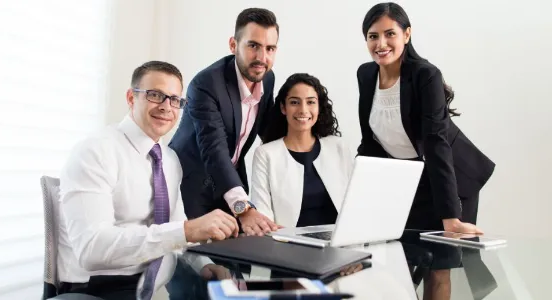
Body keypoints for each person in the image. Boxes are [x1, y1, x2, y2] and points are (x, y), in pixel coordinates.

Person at [57, 61, 236, 300]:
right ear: (131, 98)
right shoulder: (96, 151)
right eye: (155, 95)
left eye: (175, 100)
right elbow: (92, 248)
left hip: (147, 288)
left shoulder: (170, 159)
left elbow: (176, 225)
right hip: (97, 289)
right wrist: (187, 230)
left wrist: (202, 263)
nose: (166, 107)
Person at [357, 3, 496, 300]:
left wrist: (450, 216)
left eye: (389, 34)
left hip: (449, 180)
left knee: (438, 267)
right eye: (372, 36)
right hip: (408, 181)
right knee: (397, 264)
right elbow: (369, 143)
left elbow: (435, 144)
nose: (381, 44)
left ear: (407, 34)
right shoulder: (366, 75)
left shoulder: (426, 75)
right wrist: (359, 201)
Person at [169, 8, 280, 236]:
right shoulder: (206, 84)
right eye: (253, 46)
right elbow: (214, 148)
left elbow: (270, 132)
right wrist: (243, 209)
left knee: (243, 252)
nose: (262, 57)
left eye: (270, 48)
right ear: (233, 45)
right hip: (190, 184)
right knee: (197, 262)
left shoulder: (267, 78)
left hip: (229, 181)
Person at [250, 73, 353, 228]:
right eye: (294, 102)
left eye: (311, 102)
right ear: (283, 108)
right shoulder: (266, 154)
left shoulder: (338, 147)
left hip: (340, 243)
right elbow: (264, 217)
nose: (303, 110)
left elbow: (355, 203)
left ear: (319, 107)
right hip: (290, 245)